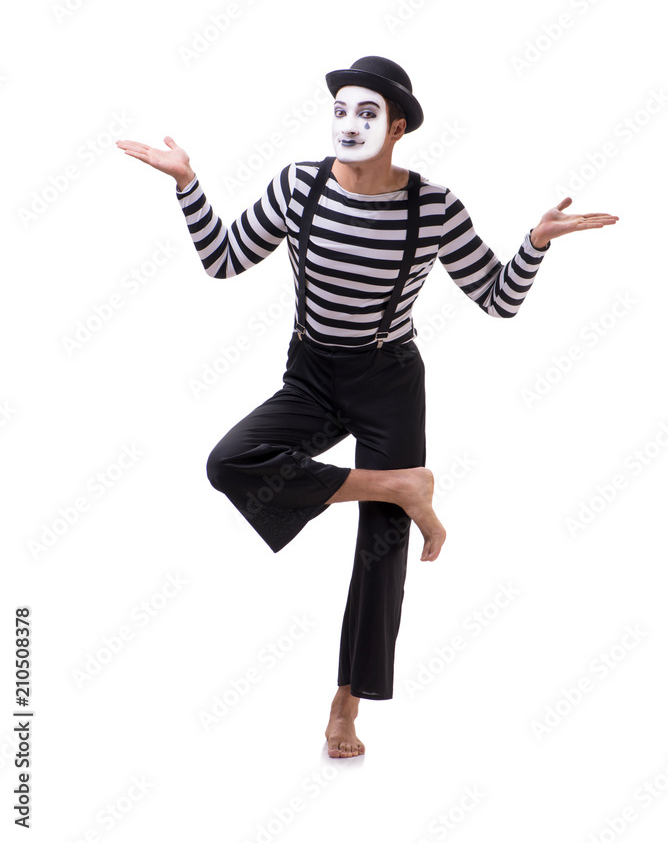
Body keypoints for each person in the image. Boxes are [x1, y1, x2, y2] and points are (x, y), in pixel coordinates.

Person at [116, 55, 619, 758]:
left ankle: (345, 706)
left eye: (367, 112)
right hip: (311, 374)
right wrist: (187, 183)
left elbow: (498, 299)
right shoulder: (299, 186)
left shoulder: (433, 206)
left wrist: (534, 243)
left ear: (397, 127)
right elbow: (223, 259)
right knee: (230, 462)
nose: (349, 123)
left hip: (389, 381)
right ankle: (401, 487)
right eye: (341, 110)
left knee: (381, 551)